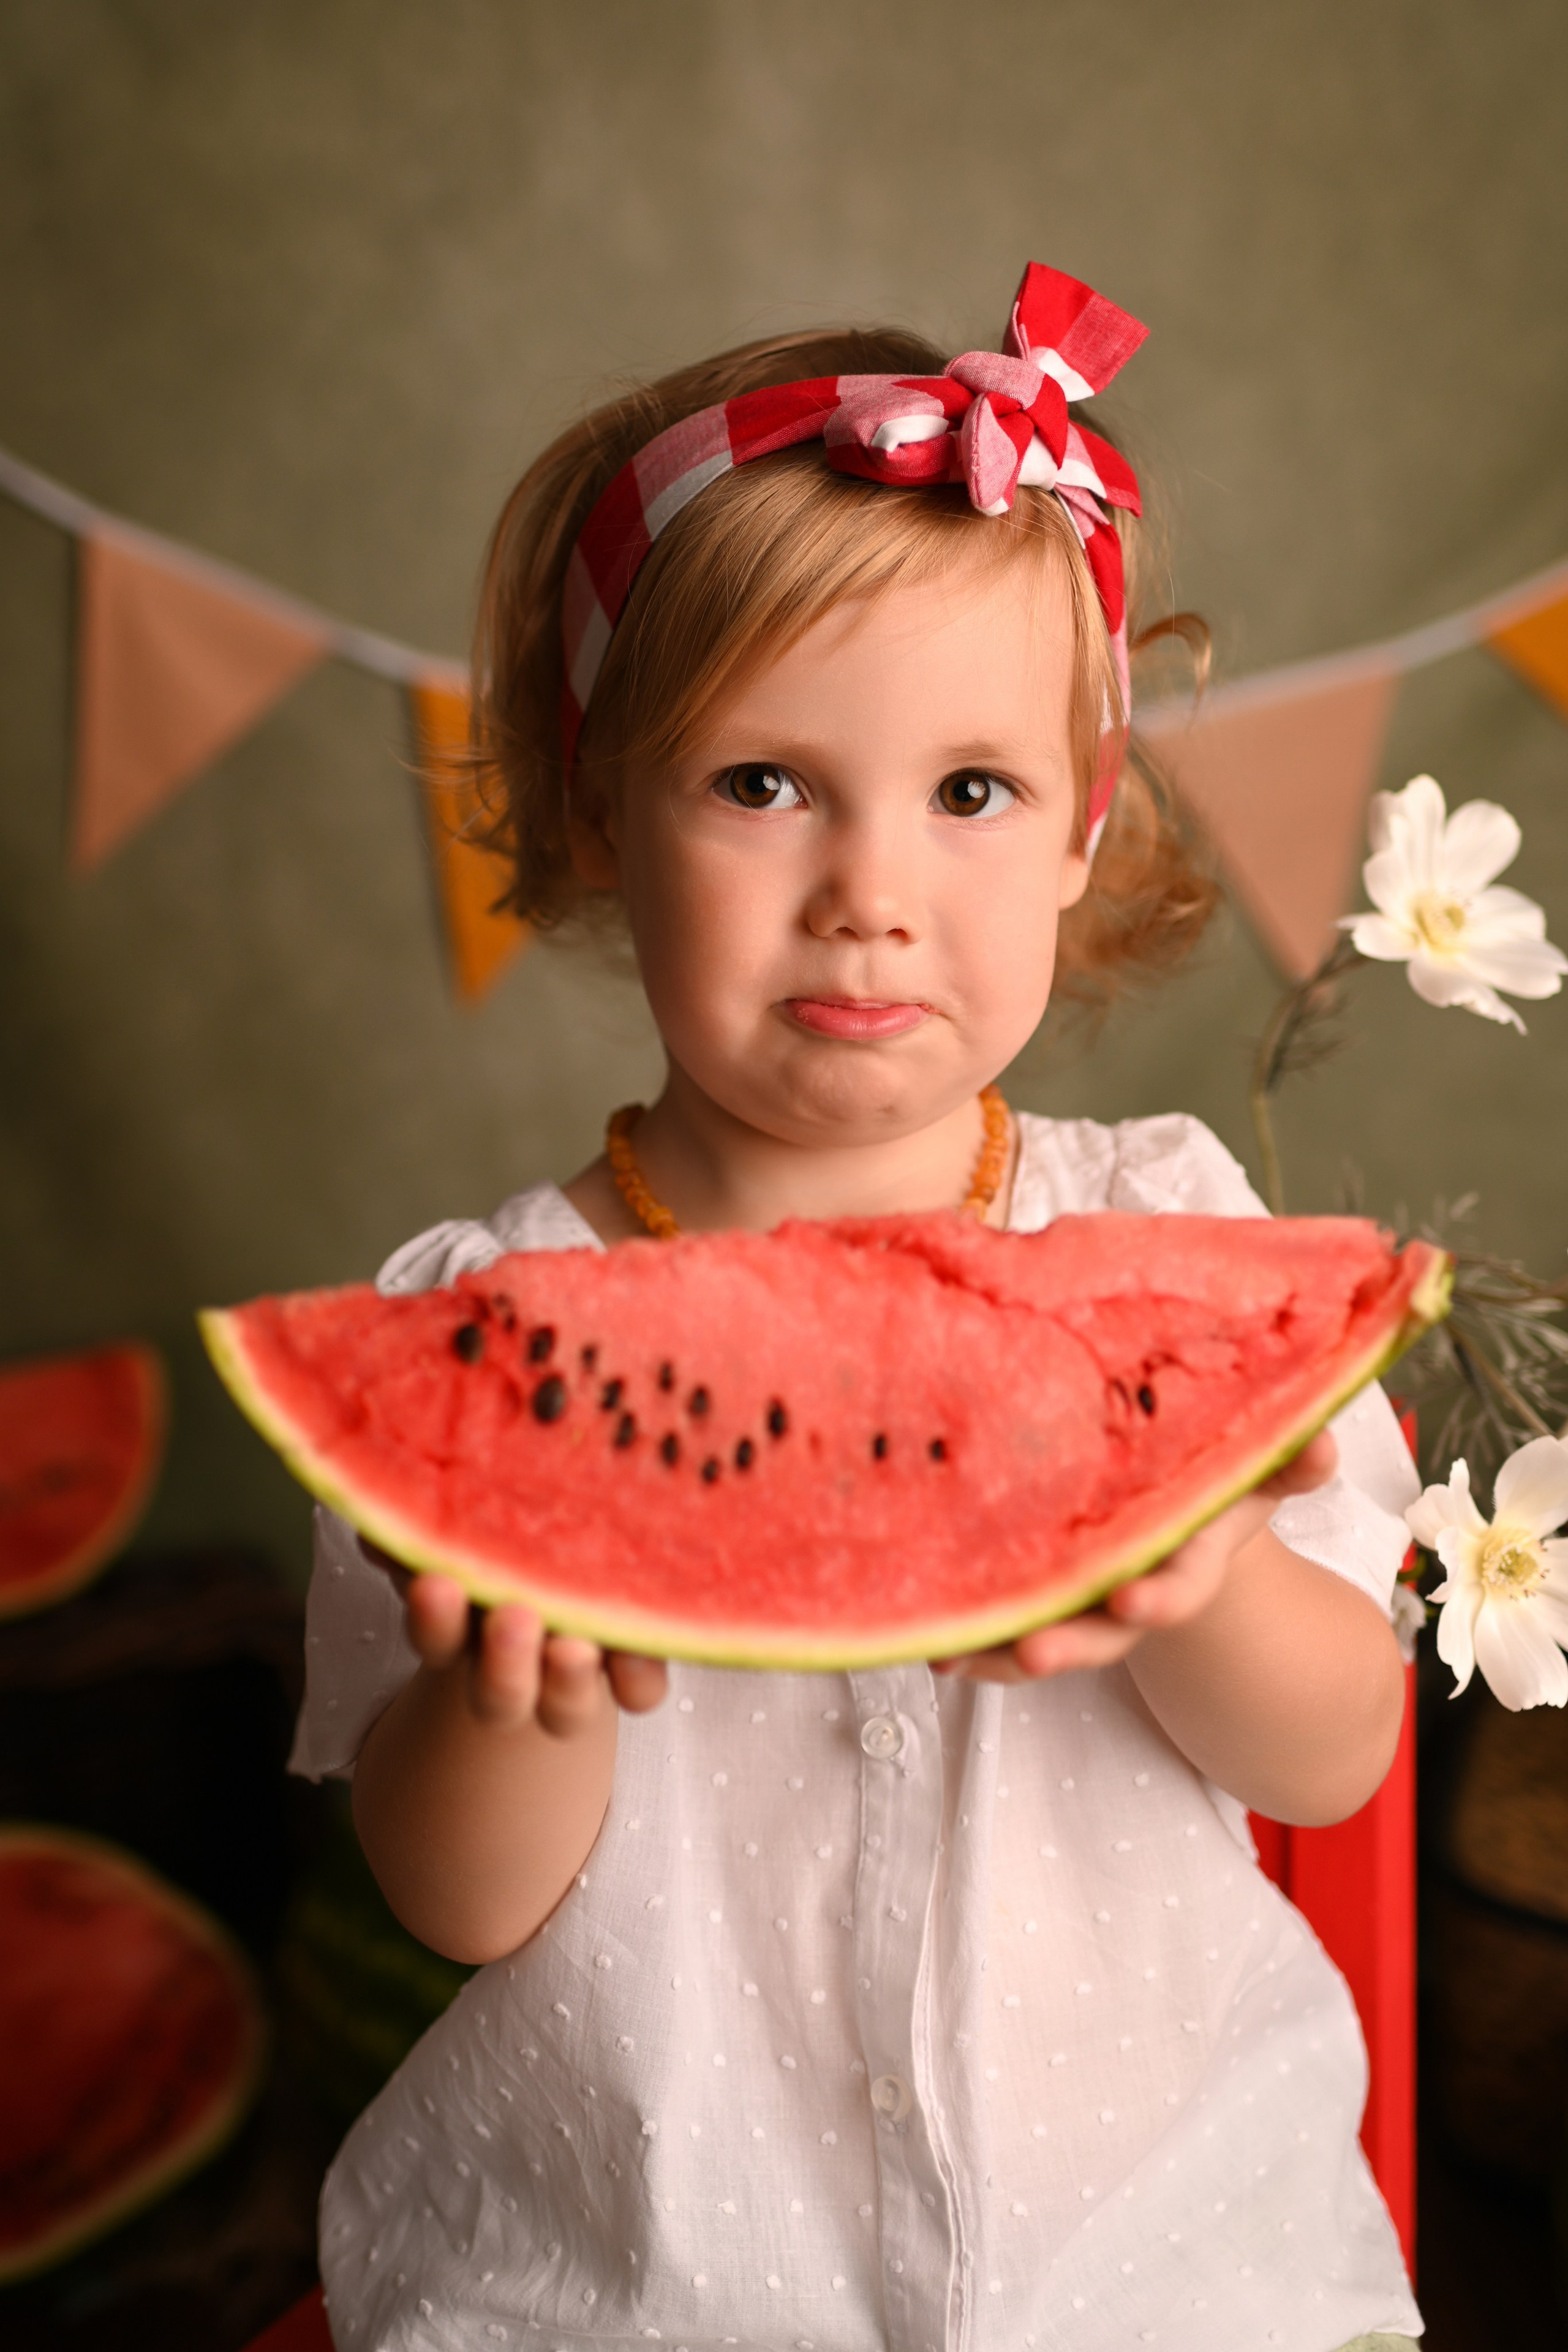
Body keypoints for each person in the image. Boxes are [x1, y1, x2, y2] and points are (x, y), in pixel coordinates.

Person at [292, 263, 1423, 2351]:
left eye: (970, 792)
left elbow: (1339, 1754)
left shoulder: (1166, 1227)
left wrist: (1197, 1552)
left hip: (1170, 2275)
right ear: (599, 815)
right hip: (629, 2289)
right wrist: (516, 1691)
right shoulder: (492, 1324)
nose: (869, 890)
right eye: (761, 784)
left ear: (1085, 822)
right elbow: (458, 1903)